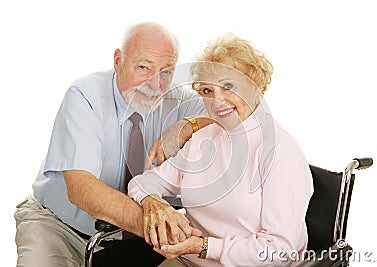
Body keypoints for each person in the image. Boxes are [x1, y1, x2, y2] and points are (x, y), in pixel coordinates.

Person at [14, 22, 208, 267]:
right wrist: (156, 221)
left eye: (166, 71)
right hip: (59, 226)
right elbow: (81, 188)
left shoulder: (177, 99)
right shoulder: (85, 95)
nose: (155, 83)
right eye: (143, 67)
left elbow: (238, 116)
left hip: (132, 237)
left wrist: (188, 125)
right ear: (118, 60)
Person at [128, 34, 314, 266]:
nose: (217, 101)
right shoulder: (204, 138)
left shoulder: (280, 151)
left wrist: (205, 247)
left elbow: (279, 251)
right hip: (191, 260)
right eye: (207, 91)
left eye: (228, 86)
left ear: (254, 85)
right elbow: (144, 183)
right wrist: (152, 202)